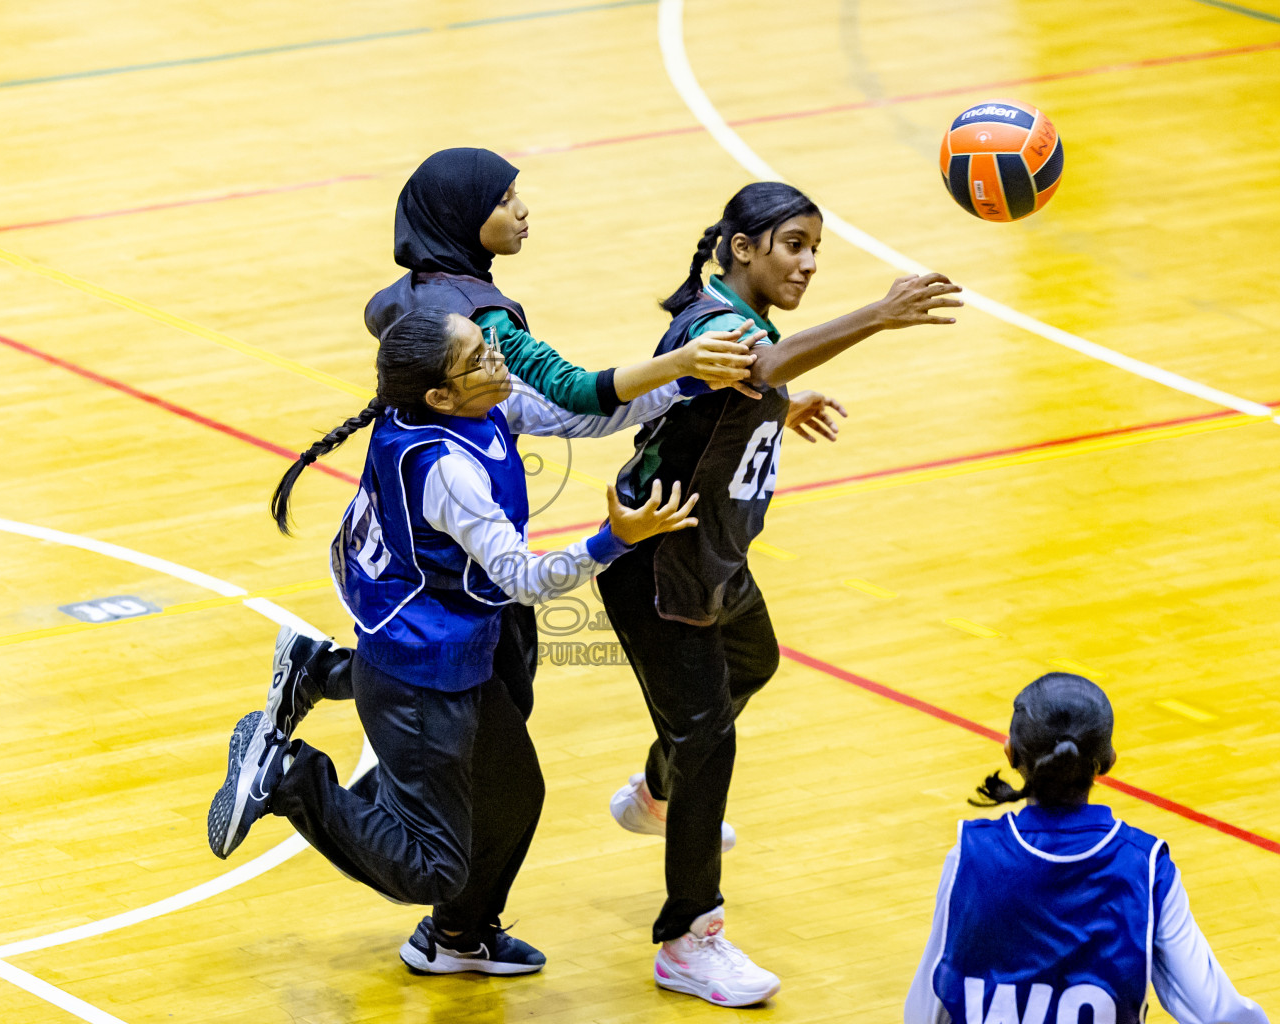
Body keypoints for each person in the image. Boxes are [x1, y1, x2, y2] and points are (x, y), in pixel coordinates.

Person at [207, 307, 703, 976]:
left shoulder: (469, 405)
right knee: (434, 867)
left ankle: (458, 937)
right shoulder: (447, 471)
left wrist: (689, 379)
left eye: (489, 346)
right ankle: (289, 780)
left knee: (513, 796)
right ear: (440, 394)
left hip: (437, 637)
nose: (500, 359)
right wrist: (616, 539)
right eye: (481, 356)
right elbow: (525, 578)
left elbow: (581, 416)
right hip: (422, 666)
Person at [598, 181, 963, 1007]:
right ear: (741, 247)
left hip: (713, 557)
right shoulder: (712, 324)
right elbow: (749, 359)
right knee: (709, 741)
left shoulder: (731, 317)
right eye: (793, 244)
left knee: (751, 661)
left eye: (814, 250)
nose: (806, 263)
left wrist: (779, 405)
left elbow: (744, 382)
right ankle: (689, 938)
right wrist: (877, 313)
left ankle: (656, 793)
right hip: (661, 563)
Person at [905, 673, 1270, 1024]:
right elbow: (1218, 1015)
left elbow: (926, 1008)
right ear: (1108, 762)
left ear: (1011, 752)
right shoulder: (1145, 868)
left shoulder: (970, 855)